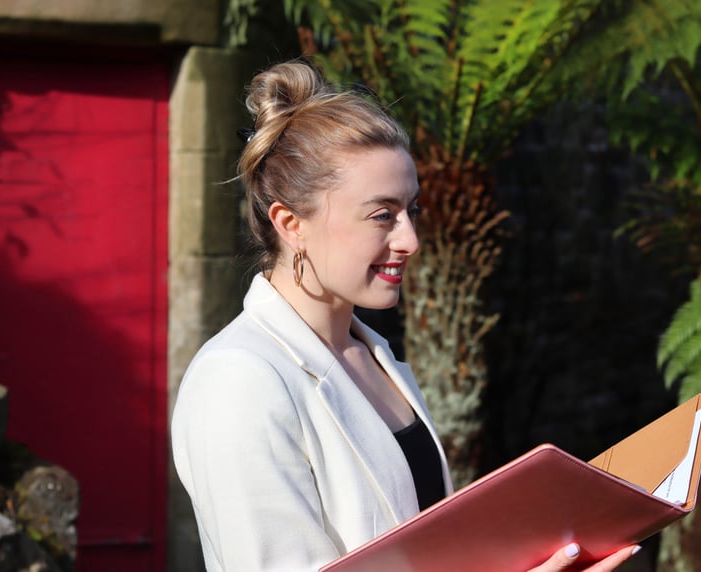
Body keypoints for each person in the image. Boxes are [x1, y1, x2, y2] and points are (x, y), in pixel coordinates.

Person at [171, 60, 641, 571]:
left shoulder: (373, 354)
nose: (410, 240)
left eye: (411, 211)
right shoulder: (238, 378)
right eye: (382, 216)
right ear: (290, 223)